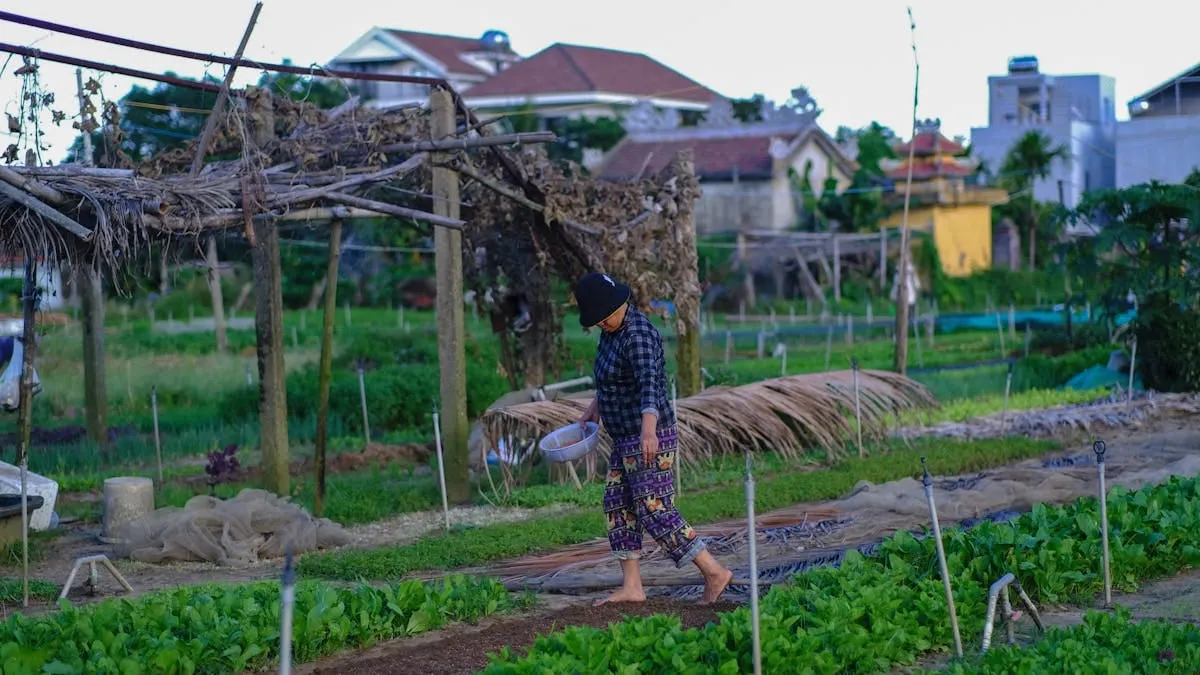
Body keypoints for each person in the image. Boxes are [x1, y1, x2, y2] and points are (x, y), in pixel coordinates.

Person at [574, 272, 734, 606]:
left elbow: (650, 384)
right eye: (597, 321)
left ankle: (713, 571)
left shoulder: (639, 333)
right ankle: (633, 587)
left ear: (620, 304)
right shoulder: (611, 333)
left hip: (648, 435)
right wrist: (595, 407)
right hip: (623, 437)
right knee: (618, 507)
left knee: (653, 506)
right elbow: (613, 380)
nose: (602, 324)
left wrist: (649, 430)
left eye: (605, 317)